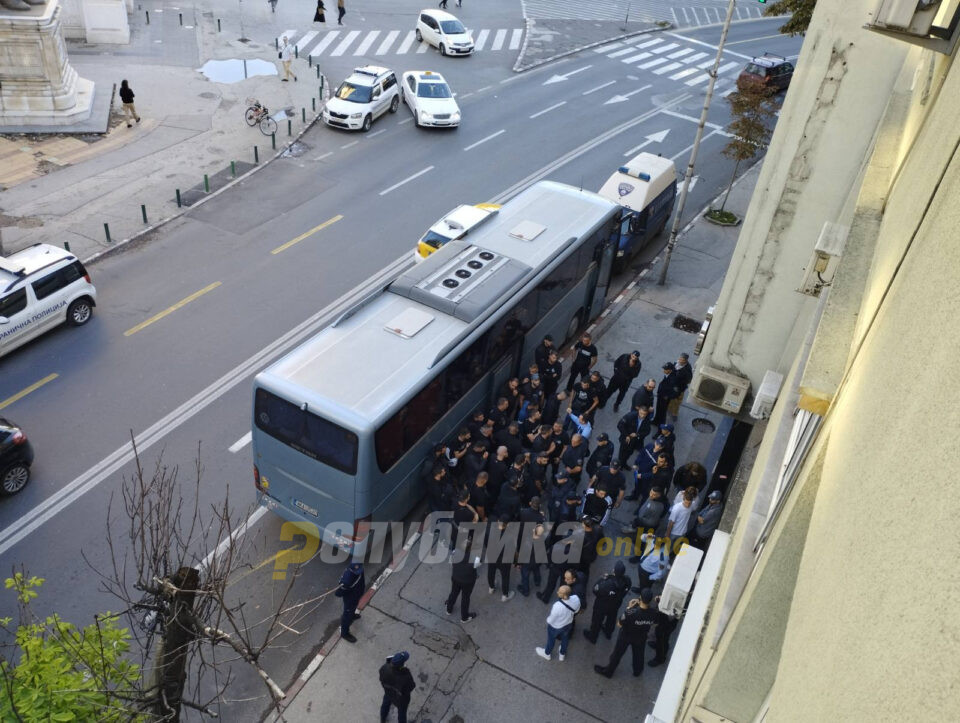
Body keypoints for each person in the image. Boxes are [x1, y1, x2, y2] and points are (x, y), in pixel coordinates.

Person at [594, 590, 660, 678]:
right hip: (641, 637)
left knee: (617, 654)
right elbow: (655, 624)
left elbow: (619, 624)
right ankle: (637, 671)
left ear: (640, 598)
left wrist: (629, 608)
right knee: (639, 655)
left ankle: (608, 672)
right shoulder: (654, 613)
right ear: (650, 600)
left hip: (626, 636)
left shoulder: (631, 612)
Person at [583, 560, 631, 643]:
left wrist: (602, 579)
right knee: (611, 619)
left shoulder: (607, 583)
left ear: (614, 571)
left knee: (596, 621)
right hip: (615, 604)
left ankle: (593, 637)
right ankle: (608, 633)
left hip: (602, 605)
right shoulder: (627, 581)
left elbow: (595, 590)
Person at [535, 585, 580, 661]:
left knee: (551, 640)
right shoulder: (576, 598)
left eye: (560, 592)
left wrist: (548, 621)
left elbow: (552, 619)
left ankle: (547, 653)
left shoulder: (557, 606)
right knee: (565, 639)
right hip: (568, 624)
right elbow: (576, 611)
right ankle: (562, 654)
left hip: (556, 627)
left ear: (565, 596)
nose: (557, 592)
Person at [379, 651, 416, 723]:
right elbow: (411, 687)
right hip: (401, 700)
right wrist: (406, 671)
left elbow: (381, 679)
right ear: (401, 666)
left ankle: (382, 719)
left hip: (388, 693)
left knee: (385, 705)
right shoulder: (406, 677)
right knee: (402, 714)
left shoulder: (384, 668)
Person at [486, 515, 516, 602]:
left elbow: (485, 543)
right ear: (507, 524)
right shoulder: (510, 536)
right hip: (504, 560)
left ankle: (491, 588)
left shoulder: (490, 530)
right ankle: (505, 595)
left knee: (491, 572)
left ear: (498, 521)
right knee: (505, 577)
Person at [335, 562, 365, 643]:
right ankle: (344, 633)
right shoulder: (347, 580)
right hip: (350, 599)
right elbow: (338, 593)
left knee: (353, 608)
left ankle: (352, 615)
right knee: (347, 614)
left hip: (356, 594)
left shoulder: (360, 569)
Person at [446, 552, 479, 623]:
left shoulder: (454, 552)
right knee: (465, 598)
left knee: (453, 592)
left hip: (456, 578)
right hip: (468, 582)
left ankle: (449, 609)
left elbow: (451, 563)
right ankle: (464, 617)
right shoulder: (475, 558)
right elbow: (476, 566)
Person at [653, 362, 680, 428]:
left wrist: (668, 397)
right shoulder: (668, 374)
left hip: (664, 399)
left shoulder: (673, 379)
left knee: (662, 414)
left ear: (670, 370)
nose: (664, 370)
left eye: (665, 369)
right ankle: (656, 421)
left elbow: (676, 392)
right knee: (658, 409)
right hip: (661, 395)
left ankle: (660, 428)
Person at [671, 352, 694, 418]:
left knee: (677, 401)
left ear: (686, 361)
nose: (680, 361)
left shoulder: (687, 369)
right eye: (680, 359)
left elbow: (689, 380)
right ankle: (669, 409)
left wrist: (679, 384)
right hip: (673, 385)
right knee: (671, 398)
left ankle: (674, 413)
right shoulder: (676, 363)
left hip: (680, 388)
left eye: (682, 360)